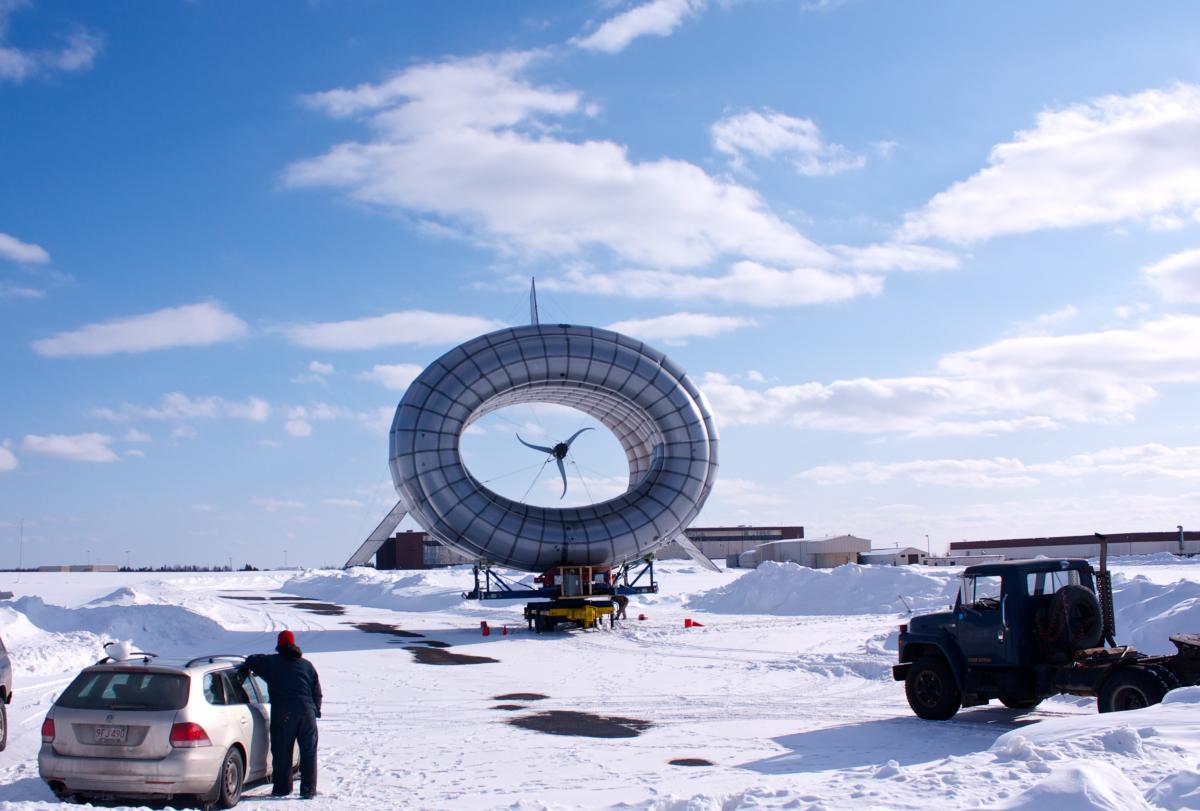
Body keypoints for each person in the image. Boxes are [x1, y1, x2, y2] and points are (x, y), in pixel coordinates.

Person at [241, 630, 323, 799]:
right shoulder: (307, 665)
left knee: (282, 751)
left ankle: (282, 789)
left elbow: (251, 660)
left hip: (284, 713)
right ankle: (309, 790)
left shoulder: (273, 662)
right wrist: (315, 710)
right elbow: (317, 691)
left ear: (279, 644)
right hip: (307, 713)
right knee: (309, 753)